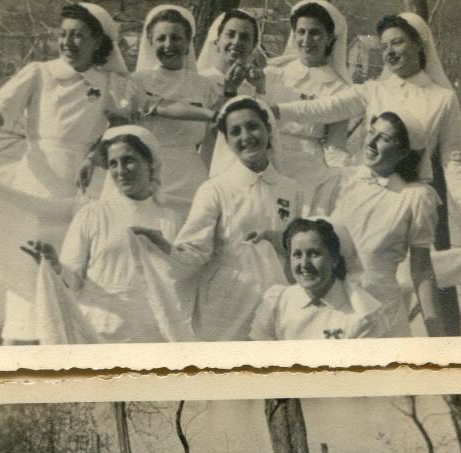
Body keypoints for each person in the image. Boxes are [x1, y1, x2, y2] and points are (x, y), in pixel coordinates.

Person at [0, 2, 133, 343]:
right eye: (63, 34)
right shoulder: (40, 72)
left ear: (98, 42)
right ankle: (19, 341)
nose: (68, 42)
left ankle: (61, 341)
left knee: (68, 262)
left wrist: (94, 155)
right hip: (36, 182)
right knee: (28, 261)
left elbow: (120, 131)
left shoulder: (110, 84)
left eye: (78, 36)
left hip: (81, 189)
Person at [274, 12, 461, 256]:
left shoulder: (443, 99)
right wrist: (275, 110)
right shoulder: (375, 90)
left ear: (419, 43)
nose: (390, 52)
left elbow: (453, 159)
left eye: (397, 42)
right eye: (384, 46)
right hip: (364, 191)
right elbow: (324, 108)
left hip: (407, 200)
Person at [25, 125, 193, 344]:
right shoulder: (91, 215)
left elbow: (182, 281)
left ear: (150, 164)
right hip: (100, 333)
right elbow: (74, 282)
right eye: (113, 163)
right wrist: (55, 266)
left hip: (154, 336)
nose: (121, 171)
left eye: (129, 160)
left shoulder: (171, 219)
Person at [160, 96, 302, 341]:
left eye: (253, 126)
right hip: (226, 304)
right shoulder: (215, 189)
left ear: (268, 128)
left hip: (276, 301)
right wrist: (161, 251)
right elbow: (195, 249)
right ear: (227, 141)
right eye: (235, 132)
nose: (246, 137)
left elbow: (296, 248)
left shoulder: (291, 189)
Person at [310, 111, 442, 337]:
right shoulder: (340, 180)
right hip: (333, 306)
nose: (370, 142)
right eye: (371, 132)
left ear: (404, 151)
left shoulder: (416, 197)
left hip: (383, 312)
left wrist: (436, 330)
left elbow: (421, 268)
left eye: (384, 138)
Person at [123, 4, 223, 218]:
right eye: (161, 39)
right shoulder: (137, 81)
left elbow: (217, 131)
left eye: (176, 38)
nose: (168, 45)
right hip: (149, 171)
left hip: (191, 174)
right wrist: (209, 114)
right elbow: (164, 107)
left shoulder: (205, 86)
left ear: (188, 43)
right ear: (151, 42)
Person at [262, 0, 352, 193]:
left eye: (315, 33)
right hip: (266, 159)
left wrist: (340, 183)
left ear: (330, 38)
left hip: (308, 172)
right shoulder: (272, 73)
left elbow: (335, 146)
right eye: (301, 32)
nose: (306, 40)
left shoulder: (339, 89)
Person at [250, 217, 381, 341]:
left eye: (314, 254)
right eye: (297, 255)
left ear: (334, 259)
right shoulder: (277, 301)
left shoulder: (361, 317)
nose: (304, 264)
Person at [196, 9, 266, 176]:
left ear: (253, 46)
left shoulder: (253, 87)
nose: (236, 42)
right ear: (218, 40)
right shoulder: (201, 81)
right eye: (231, 34)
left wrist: (261, 90)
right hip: (208, 165)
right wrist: (229, 92)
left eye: (244, 37)